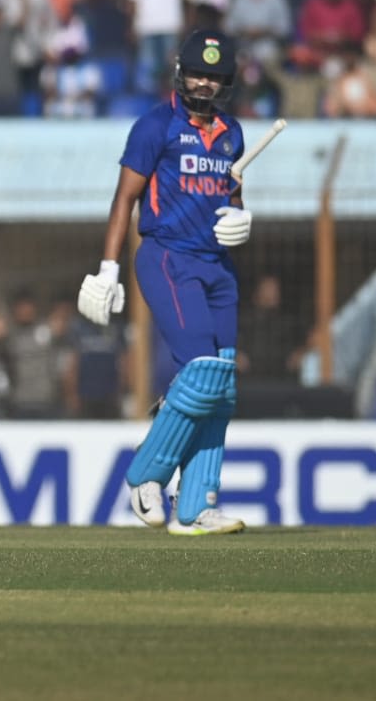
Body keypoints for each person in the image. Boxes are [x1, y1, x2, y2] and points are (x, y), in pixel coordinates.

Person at [77, 28, 252, 536]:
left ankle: (196, 507)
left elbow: (231, 198)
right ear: (180, 72)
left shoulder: (233, 133)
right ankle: (146, 473)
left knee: (221, 383)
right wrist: (108, 268)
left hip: (217, 266)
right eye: (198, 72)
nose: (205, 83)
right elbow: (123, 200)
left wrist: (241, 218)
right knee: (199, 367)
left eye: (215, 77)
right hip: (169, 258)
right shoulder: (155, 127)